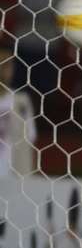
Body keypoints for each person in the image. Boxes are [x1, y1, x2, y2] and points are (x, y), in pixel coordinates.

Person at [0, 43, 36, 178]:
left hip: (13, 179)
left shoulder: (21, 102)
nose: (2, 70)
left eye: (6, 65)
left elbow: (29, 139)